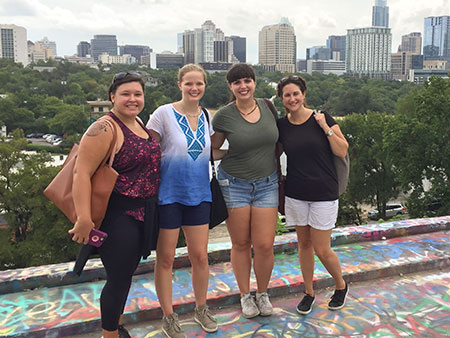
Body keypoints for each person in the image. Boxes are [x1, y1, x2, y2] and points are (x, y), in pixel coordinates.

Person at [70, 72, 161, 338]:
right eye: (125, 94)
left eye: (137, 94)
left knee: (124, 277)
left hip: (142, 213)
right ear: (112, 97)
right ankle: (109, 334)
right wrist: (84, 218)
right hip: (117, 215)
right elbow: (81, 173)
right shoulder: (105, 127)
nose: (132, 99)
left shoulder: (138, 123)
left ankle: (116, 326)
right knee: (118, 279)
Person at [146, 64, 218, 338]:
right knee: (165, 259)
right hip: (168, 196)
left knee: (199, 256)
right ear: (179, 84)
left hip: (199, 195)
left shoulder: (207, 116)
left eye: (199, 84)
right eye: (189, 83)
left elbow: (206, 151)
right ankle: (169, 315)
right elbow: (146, 148)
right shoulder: (163, 113)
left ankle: (201, 308)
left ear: (204, 86)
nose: (194, 88)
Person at [276, 75, 349, 315]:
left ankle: (340, 285)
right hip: (296, 193)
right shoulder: (281, 125)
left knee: (322, 248)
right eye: (287, 95)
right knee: (304, 245)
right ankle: (309, 292)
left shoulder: (322, 118)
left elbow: (342, 149)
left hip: (324, 192)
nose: (292, 98)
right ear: (282, 99)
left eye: (296, 93)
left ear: (303, 94)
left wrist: (325, 128)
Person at [211, 63, 278, 319]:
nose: (243, 86)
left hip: (267, 184)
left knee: (264, 245)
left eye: (247, 80)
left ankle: (262, 293)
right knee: (240, 243)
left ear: (254, 83)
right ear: (231, 87)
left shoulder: (268, 107)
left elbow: (277, 141)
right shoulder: (224, 115)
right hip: (234, 184)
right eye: (237, 82)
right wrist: (233, 153)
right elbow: (213, 151)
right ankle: (245, 296)